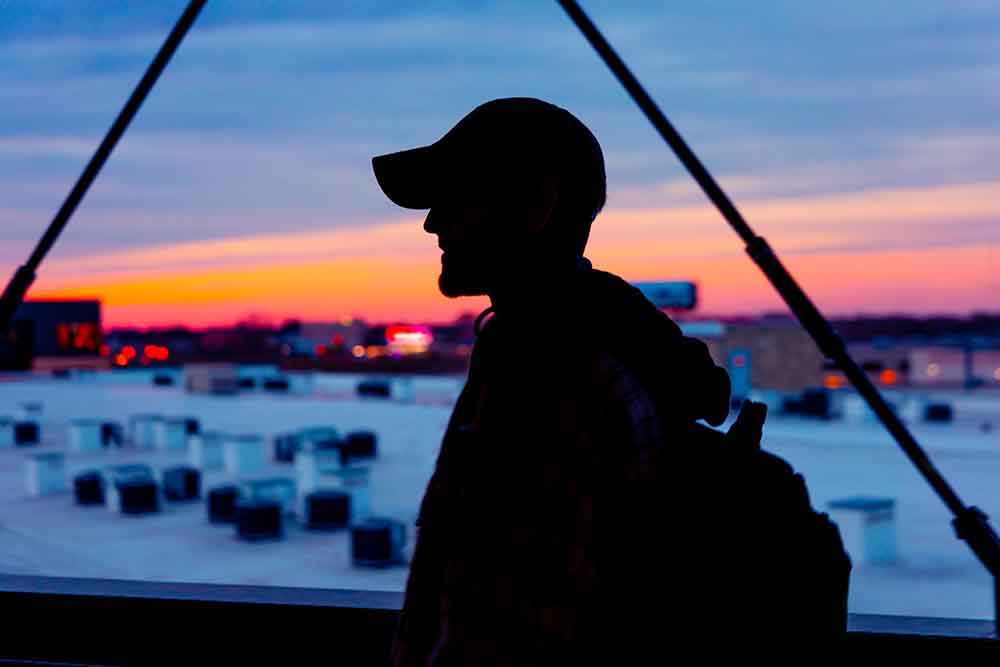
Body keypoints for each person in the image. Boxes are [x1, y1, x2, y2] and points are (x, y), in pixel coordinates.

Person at [372, 98, 782, 665]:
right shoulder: (607, 336)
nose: (432, 222)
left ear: (534, 206)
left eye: (456, 198)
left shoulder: (550, 374)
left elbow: (507, 634)